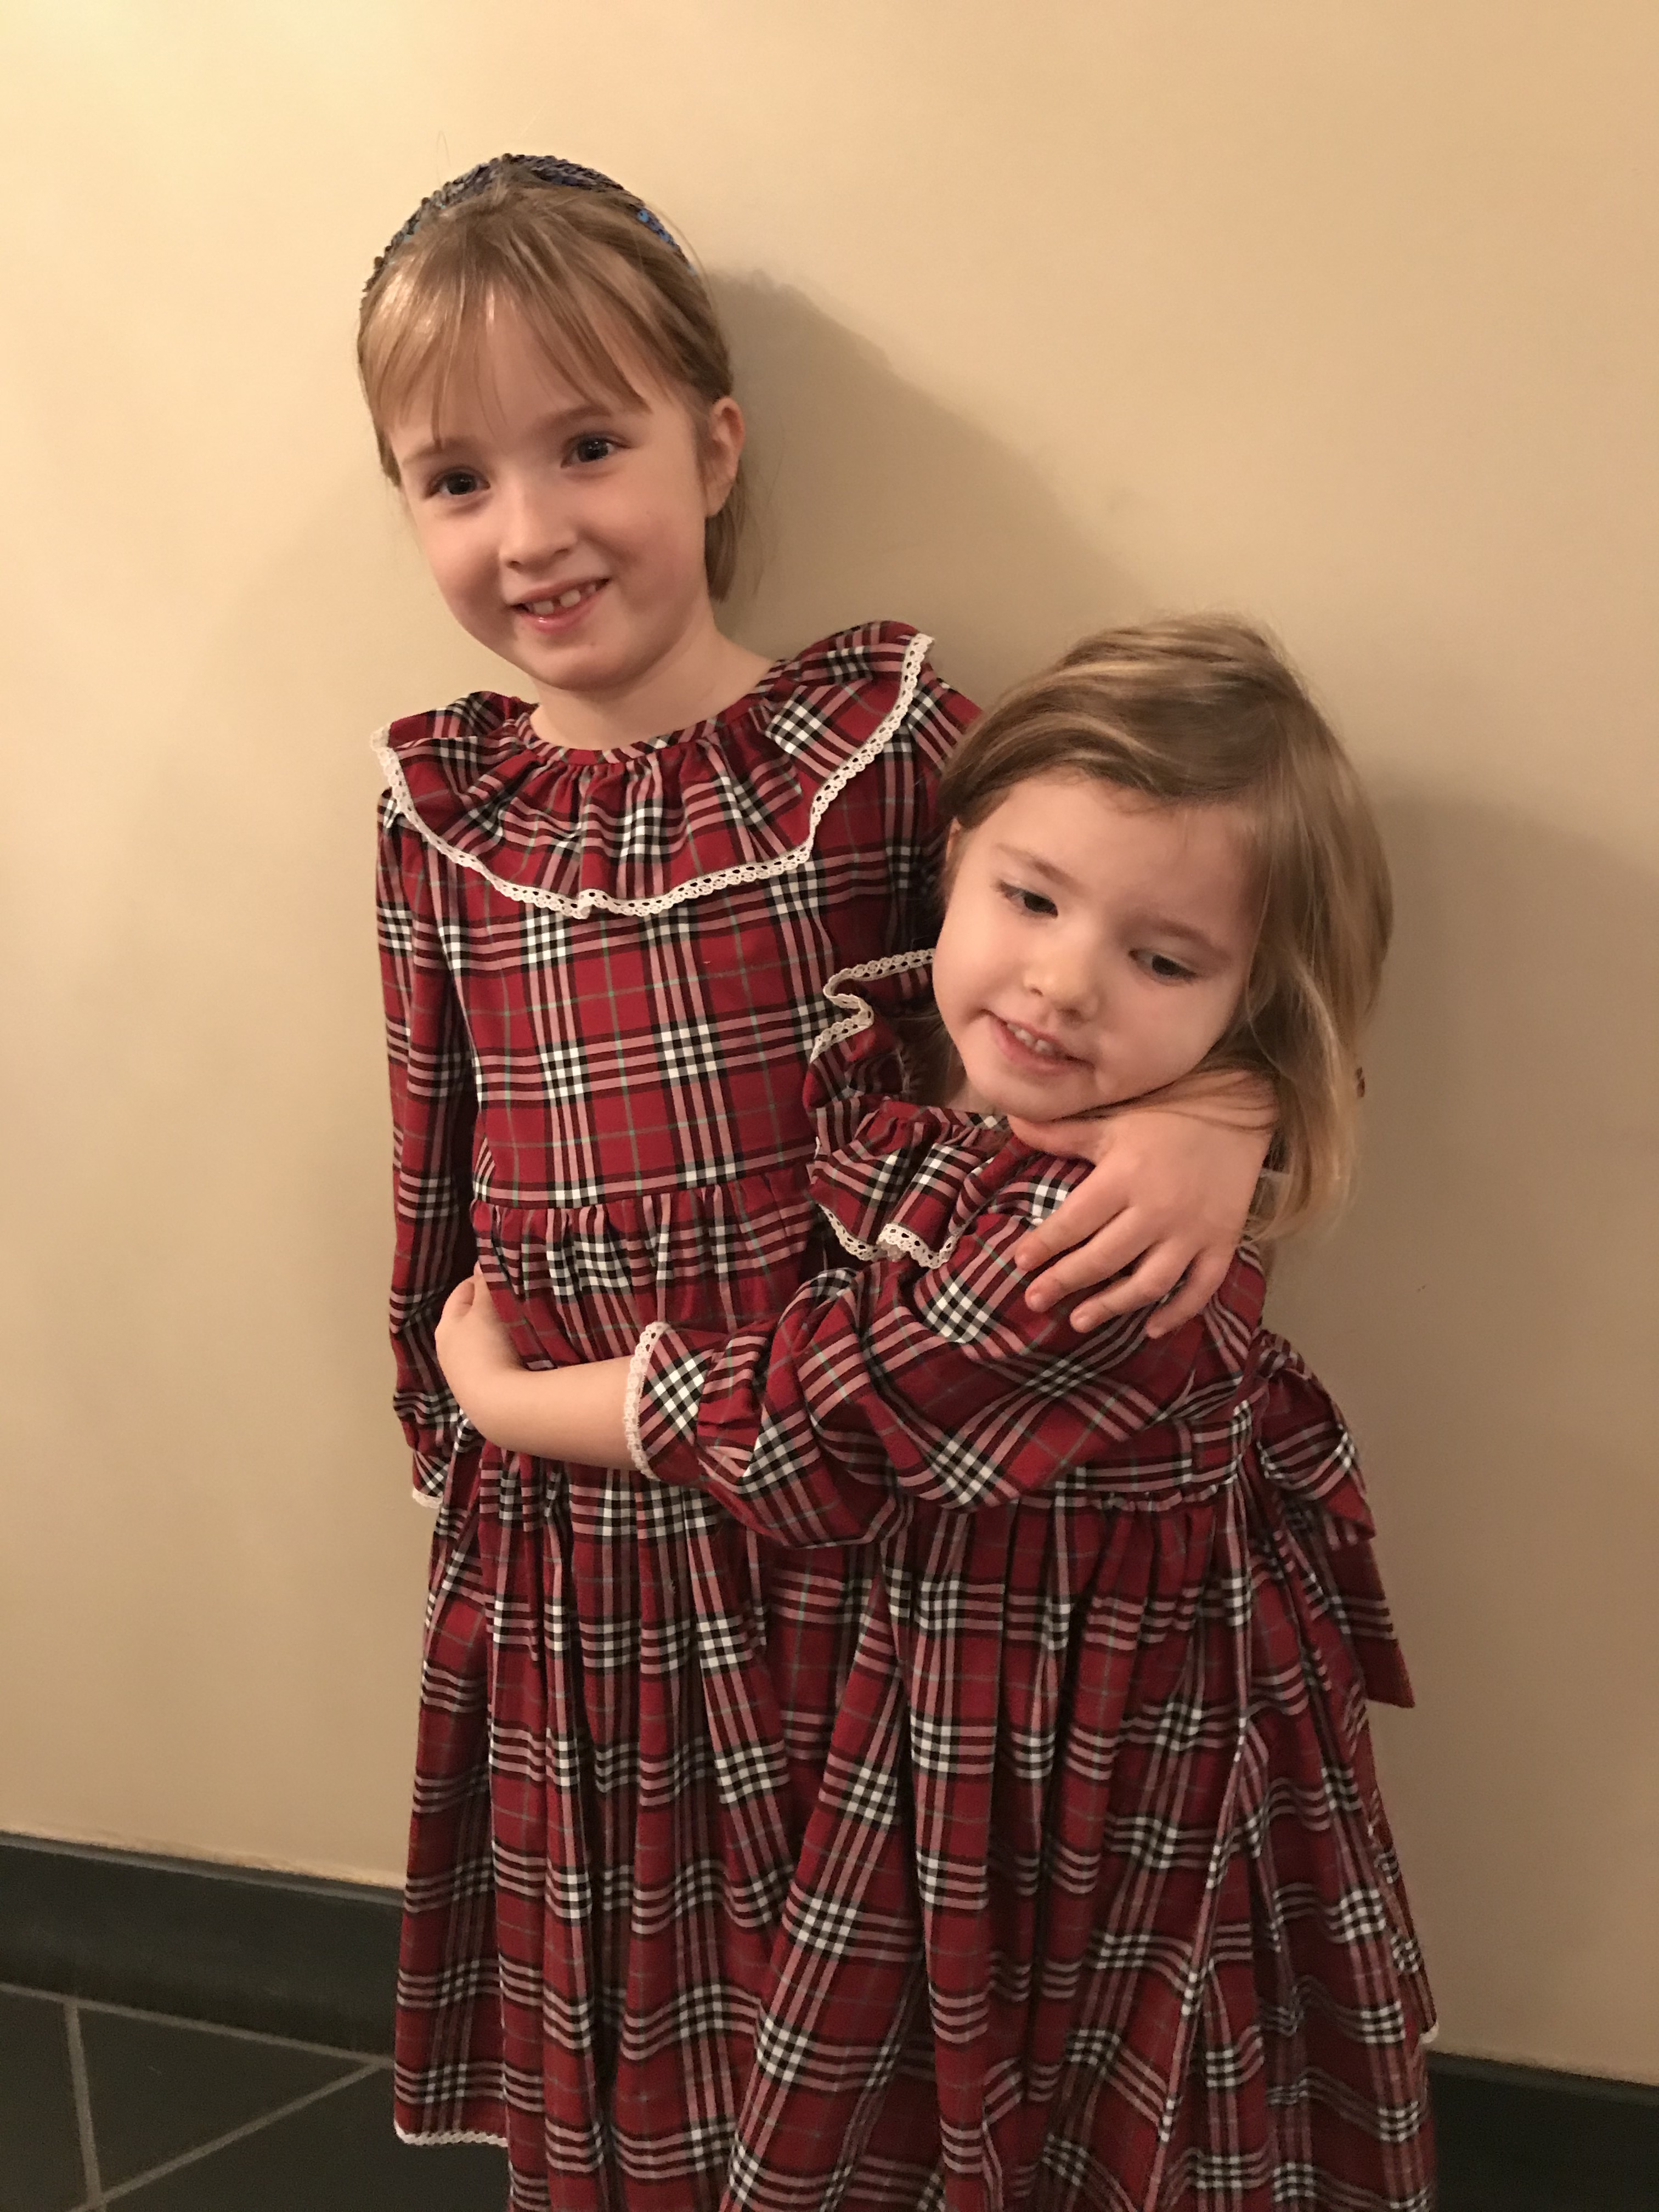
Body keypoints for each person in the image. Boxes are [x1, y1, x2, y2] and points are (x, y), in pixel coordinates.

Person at [361, 158, 1272, 2210]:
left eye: (588, 446)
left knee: (864, 2000)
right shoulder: (442, 811)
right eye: (456, 478)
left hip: (863, 1502)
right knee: (648, 1988)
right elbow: (436, 1132)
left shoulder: (875, 749)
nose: (533, 529)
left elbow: (1110, 951)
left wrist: (1229, 1112)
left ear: (714, 445)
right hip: (587, 1518)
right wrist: (449, 1421)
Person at [438, 617, 1437, 2210]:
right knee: (957, 2050)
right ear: (958, 852)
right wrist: (1228, 1092)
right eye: (1032, 900)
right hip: (961, 1671)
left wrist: (499, 1402)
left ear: (1251, 997)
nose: (1061, 983)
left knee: (1052, 2055)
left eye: (1163, 960)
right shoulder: (945, 1056)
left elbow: (820, 1418)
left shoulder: (1094, 1243)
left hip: (1071, 1720)